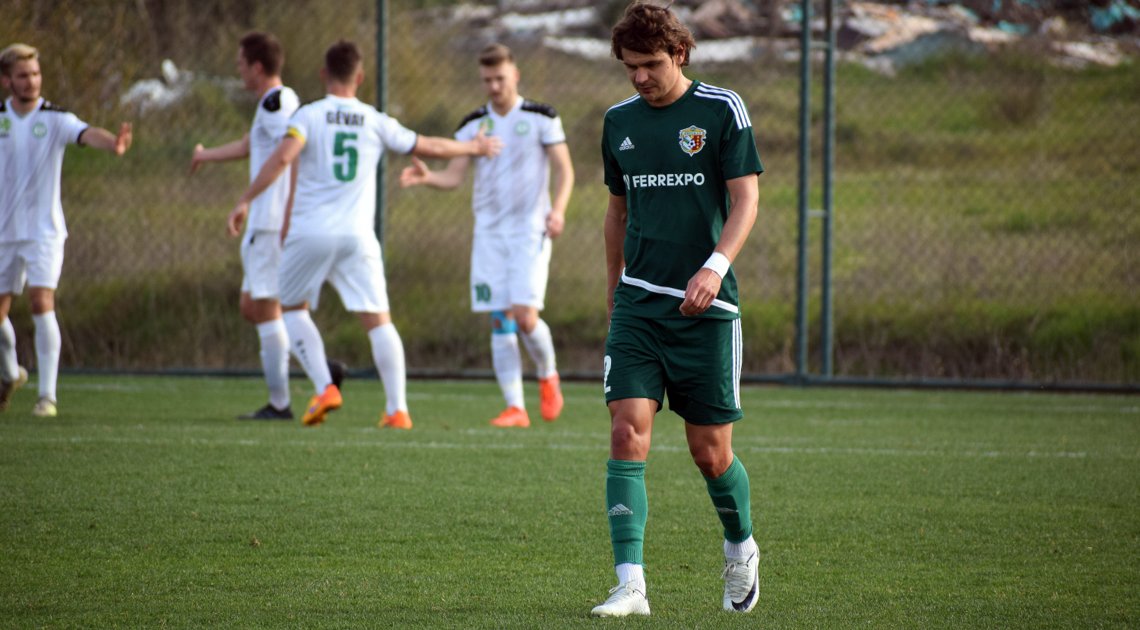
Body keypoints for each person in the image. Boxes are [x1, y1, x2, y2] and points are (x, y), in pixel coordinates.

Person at [591, 2, 764, 617]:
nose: (639, 76)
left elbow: (746, 200)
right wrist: (613, 289)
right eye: (629, 67)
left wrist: (714, 267)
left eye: (650, 64)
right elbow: (617, 211)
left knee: (709, 453)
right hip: (639, 305)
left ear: (680, 54)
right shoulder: (618, 122)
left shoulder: (721, 110)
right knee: (625, 430)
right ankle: (630, 585)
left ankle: (741, 546)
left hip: (706, 312)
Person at [230, 39, 501, 430]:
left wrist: (245, 199)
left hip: (309, 232)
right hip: (358, 235)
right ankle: (397, 410)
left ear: (324, 74)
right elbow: (428, 145)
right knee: (378, 321)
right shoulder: (375, 120)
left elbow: (283, 158)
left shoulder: (308, 115)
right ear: (359, 78)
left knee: (291, 310)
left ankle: (325, 387)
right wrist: (472, 147)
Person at [399, 43, 574, 428]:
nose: (494, 86)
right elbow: (454, 176)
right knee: (500, 318)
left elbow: (565, 170)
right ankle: (515, 407)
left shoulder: (541, 117)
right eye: (487, 80)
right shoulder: (473, 124)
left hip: (529, 230)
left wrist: (558, 210)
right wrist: (428, 178)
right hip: (489, 234)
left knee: (525, 317)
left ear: (515, 75)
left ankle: (548, 375)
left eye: (500, 78)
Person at [0, 43, 132, 417]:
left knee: (41, 302)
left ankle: (47, 397)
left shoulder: (55, 118)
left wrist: (113, 144)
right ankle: (10, 374)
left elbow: (86, 133)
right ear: (7, 80)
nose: (32, 81)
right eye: (23, 75)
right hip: (4, 232)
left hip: (44, 231)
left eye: (36, 73)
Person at [188, 32, 304, 420]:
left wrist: (246, 200)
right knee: (253, 306)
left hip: (269, 222)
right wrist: (205, 155)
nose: (237, 69)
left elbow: (287, 156)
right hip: (266, 221)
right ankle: (317, 369)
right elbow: (249, 146)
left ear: (257, 67)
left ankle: (286, 399)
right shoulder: (273, 105)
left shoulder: (277, 104)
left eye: (240, 63)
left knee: (265, 307)